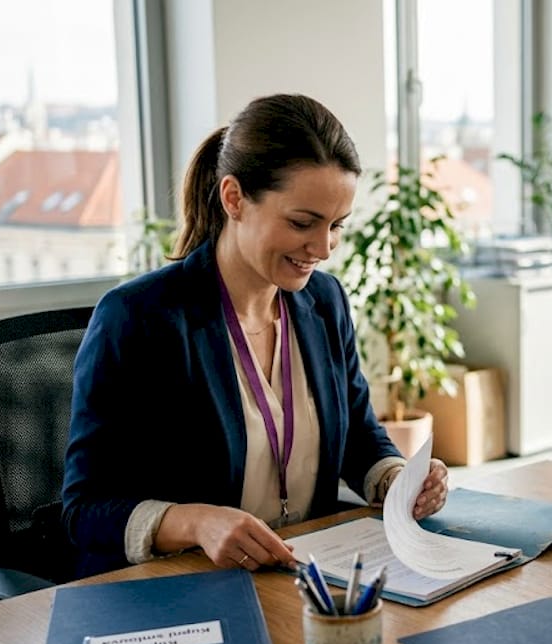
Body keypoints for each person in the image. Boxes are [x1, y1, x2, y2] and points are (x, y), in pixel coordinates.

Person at [62, 94, 449, 577]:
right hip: (185, 583)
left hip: (303, 574)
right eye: (302, 223)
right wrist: (196, 522)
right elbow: (84, 509)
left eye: (337, 226)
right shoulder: (140, 318)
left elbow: (359, 435)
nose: (323, 248)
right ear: (234, 198)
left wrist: (394, 477)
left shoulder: (324, 302)